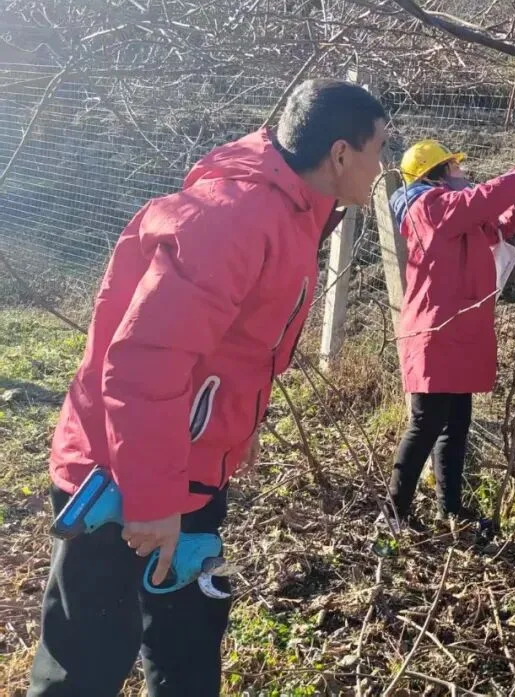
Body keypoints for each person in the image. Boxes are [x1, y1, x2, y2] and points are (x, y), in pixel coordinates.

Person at [28, 79, 387, 697]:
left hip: (187, 466)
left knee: (189, 645)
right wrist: (152, 498)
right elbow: (145, 361)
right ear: (340, 154)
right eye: (378, 150)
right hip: (122, 474)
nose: (382, 167)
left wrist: (235, 431)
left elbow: (236, 349)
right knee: (86, 662)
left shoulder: (294, 214)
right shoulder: (235, 217)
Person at [385, 139, 515, 530]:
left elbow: (491, 229)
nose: (462, 173)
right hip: (436, 332)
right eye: (455, 167)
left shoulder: (449, 213)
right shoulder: (429, 208)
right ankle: (394, 514)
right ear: (438, 174)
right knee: (426, 423)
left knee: (455, 423)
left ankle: (450, 509)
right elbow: (479, 203)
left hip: (456, 332)